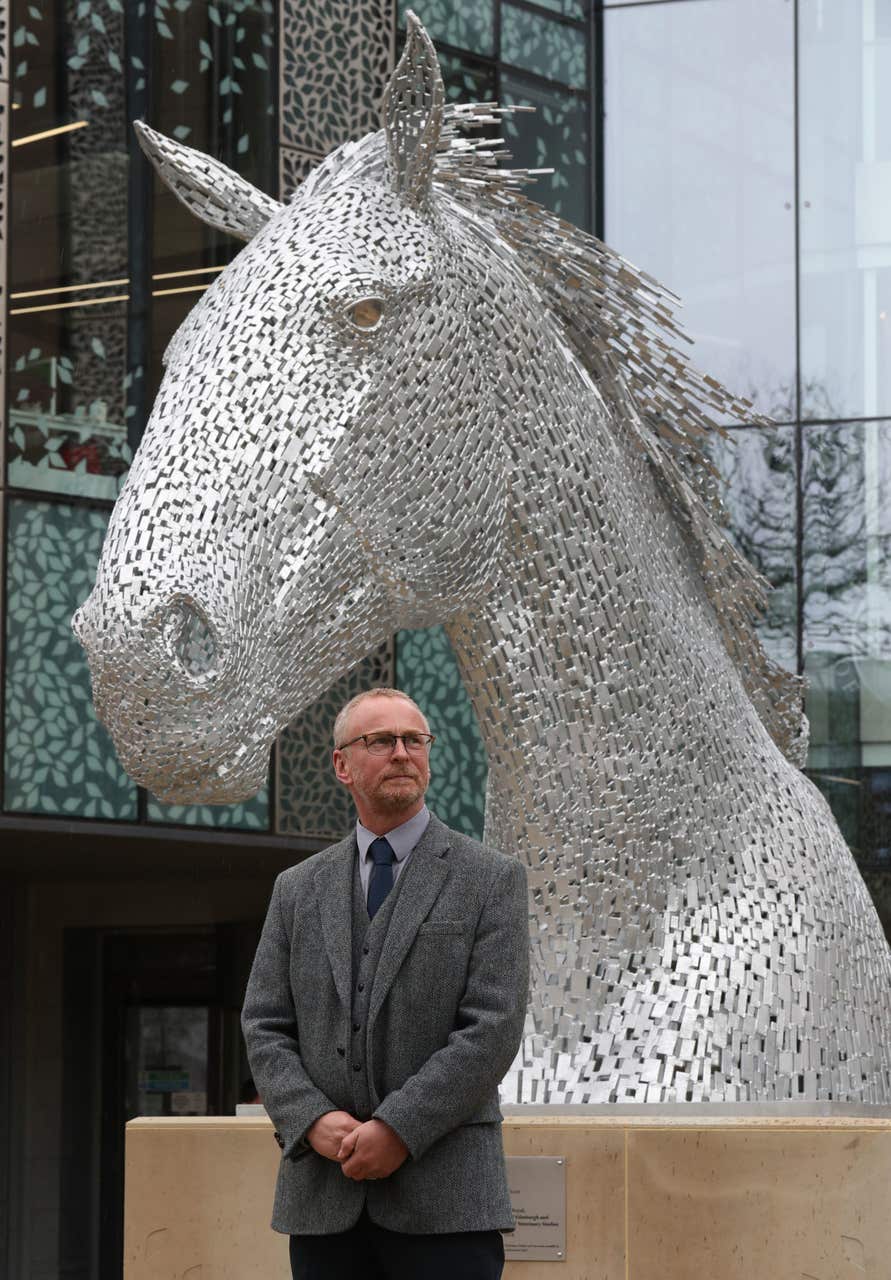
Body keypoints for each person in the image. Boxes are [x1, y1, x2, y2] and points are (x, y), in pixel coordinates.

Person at [241, 686, 530, 1280]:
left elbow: (493, 1028)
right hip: (323, 1203)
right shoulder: (296, 889)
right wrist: (311, 1119)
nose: (402, 753)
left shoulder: (491, 878)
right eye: (381, 741)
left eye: (414, 740)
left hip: (447, 1204)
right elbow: (264, 1024)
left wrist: (398, 1129)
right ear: (342, 765)